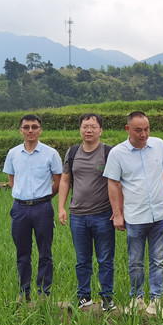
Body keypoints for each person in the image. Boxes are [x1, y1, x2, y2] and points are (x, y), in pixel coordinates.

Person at [103, 111, 163, 316]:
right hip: (135, 217)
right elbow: (113, 183)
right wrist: (117, 213)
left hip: (160, 214)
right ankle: (137, 298)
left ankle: (156, 300)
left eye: (146, 129)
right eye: (138, 130)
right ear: (128, 129)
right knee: (135, 261)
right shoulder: (118, 153)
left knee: (158, 260)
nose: (143, 134)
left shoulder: (159, 145)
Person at [58, 113, 117, 312]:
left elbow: (117, 183)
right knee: (82, 260)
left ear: (101, 130)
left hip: (103, 214)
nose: (88, 130)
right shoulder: (72, 152)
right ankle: (84, 296)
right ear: (80, 129)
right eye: (85, 127)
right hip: (77, 215)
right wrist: (61, 207)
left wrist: (118, 211)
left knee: (105, 259)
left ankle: (107, 297)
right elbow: (65, 180)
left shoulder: (109, 152)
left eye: (93, 127)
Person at [3, 114, 62, 302]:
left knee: (45, 253)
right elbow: (12, 180)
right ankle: (24, 292)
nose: (30, 130)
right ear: (20, 130)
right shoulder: (13, 154)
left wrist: (43, 198)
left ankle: (44, 293)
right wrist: (24, 197)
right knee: (22, 253)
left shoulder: (51, 154)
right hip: (19, 209)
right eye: (26, 127)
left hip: (42, 208)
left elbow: (58, 182)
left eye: (34, 127)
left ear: (40, 130)